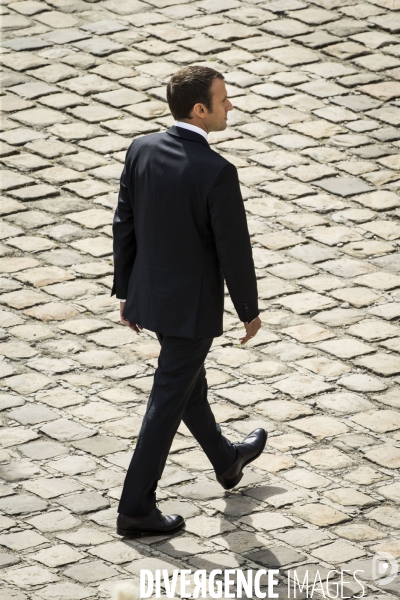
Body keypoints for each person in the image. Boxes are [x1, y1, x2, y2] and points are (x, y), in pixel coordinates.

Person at [111, 65, 266, 537]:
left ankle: (227, 460)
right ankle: (136, 507)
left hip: (152, 299)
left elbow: (125, 223)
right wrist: (249, 310)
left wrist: (125, 290)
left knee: (186, 385)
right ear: (200, 110)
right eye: (223, 100)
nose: (230, 106)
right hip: (191, 311)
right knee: (166, 398)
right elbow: (233, 249)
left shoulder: (141, 148)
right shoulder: (217, 172)